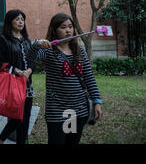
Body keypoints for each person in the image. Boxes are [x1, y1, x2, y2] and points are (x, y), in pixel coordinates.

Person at [27, 13, 103, 144]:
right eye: (63, 27)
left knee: (71, 142)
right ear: (55, 30)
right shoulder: (49, 50)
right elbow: (31, 57)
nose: (68, 30)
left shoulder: (80, 51)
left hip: (77, 110)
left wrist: (96, 101)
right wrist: (37, 44)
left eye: (70, 26)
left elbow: (89, 78)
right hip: (57, 110)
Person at [0, 9, 36, 144]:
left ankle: (9, 140)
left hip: (27, 83)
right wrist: (17, 71)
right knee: (18, 117)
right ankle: (1, 139)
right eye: (17, 19)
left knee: (25, 117)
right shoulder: (3, 40)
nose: (20, 22)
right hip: (13, 83)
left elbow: (32, 60)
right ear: (10, 21)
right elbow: (0, 63)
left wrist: (29, 70)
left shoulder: (26, 40)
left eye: (22, 19)